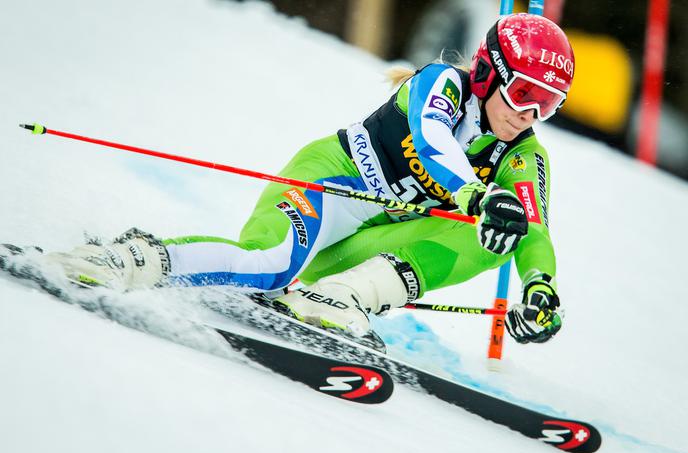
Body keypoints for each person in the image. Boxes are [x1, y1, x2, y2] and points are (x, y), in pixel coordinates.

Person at [44, 13, 573, 345]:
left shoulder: (523, 152)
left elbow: (535, 229)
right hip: (332, 184)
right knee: (266, 264)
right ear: (488, 74)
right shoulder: (443, 85)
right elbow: (432, 140)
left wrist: (540, 288)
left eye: (549, 104)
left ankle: (339, 297)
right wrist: (475, 194)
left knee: (506, 227)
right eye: (525, 93)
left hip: (368, 236)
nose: (532, 114)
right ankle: (125, 260)